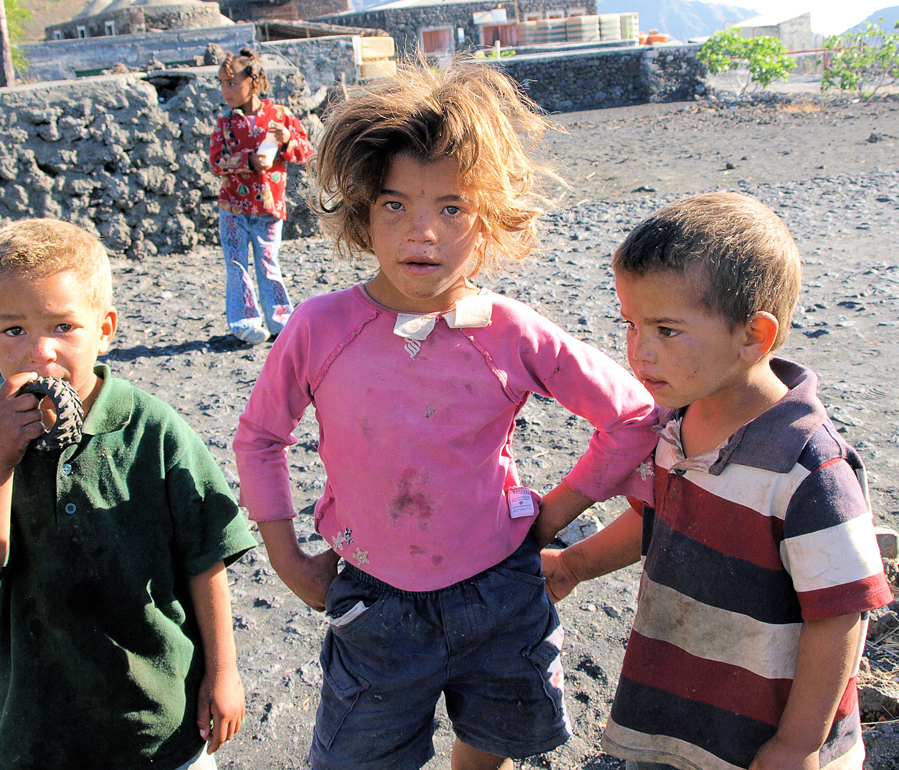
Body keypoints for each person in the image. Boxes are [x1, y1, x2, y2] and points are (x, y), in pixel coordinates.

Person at [232, 61, 659, 770]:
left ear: (490, 218)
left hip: (499, 591)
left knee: (493, 741)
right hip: (372, 598)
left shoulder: (511, 332)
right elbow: (260, 437)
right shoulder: (318, 327)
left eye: (452, 208)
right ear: (365, 212)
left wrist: (555, 511)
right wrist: (287, 559)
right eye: (395, 205)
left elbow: (633, 416)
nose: (421, 233)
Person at [542, 192, 894, 770]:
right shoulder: (679, 421)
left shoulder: (810, 469)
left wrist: (799, 744)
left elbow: (841, 616)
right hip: (683, 705)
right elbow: (661, 515)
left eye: (667, 330)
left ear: (754, 335)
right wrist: (575, 565)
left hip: (768, 733)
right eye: (630, 324)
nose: (639, 352)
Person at [0, 219, 258, 770]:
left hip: (159, 725)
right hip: (42, 732)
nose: (40, 352)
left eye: (64, 326)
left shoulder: (152, 429)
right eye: (14, 331)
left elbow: (206, 554)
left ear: (105, 328)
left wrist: (224, 672)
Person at [209, 47, 313, 345]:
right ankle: (245, 322)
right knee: (236, 263)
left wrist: (287, 140)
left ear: (254, 83)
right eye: (222, 84)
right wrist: (247, 162)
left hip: (269, 206)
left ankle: (281, 320)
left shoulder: (279, 116)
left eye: (232, 83)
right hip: (233, 208)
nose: (225, 90)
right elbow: (216, 161)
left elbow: (305, 152)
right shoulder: (225, 123)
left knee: (268, 261)